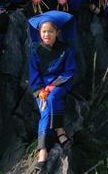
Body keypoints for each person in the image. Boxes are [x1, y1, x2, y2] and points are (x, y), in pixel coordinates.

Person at [28, 10, 77, 174]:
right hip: (41, 87)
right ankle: (44, 148)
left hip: (61, 84)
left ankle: (58, 132)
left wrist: (53, 85)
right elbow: (34, 75)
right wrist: (41, 90)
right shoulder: (35, 51)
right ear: (39, 33)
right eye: (43, 32)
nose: (46, 35)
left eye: (50, 31)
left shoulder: (65, 49)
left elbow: (70, 71)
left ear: (57, 32)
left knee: (54, 97)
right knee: (45, 108)